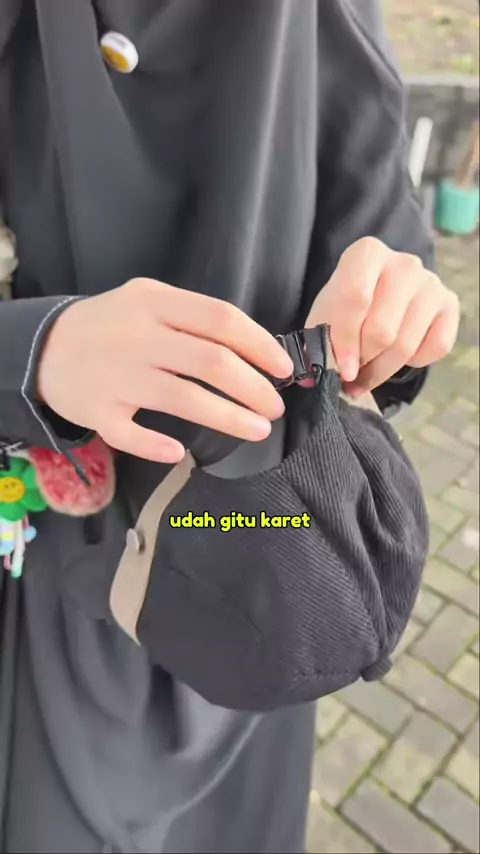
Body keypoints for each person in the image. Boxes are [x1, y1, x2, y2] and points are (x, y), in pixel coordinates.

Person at [0, 2, 459, 852]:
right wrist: (36, 351)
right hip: (55, 547)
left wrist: (396, 310)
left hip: (266, 561)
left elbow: (382, 233)